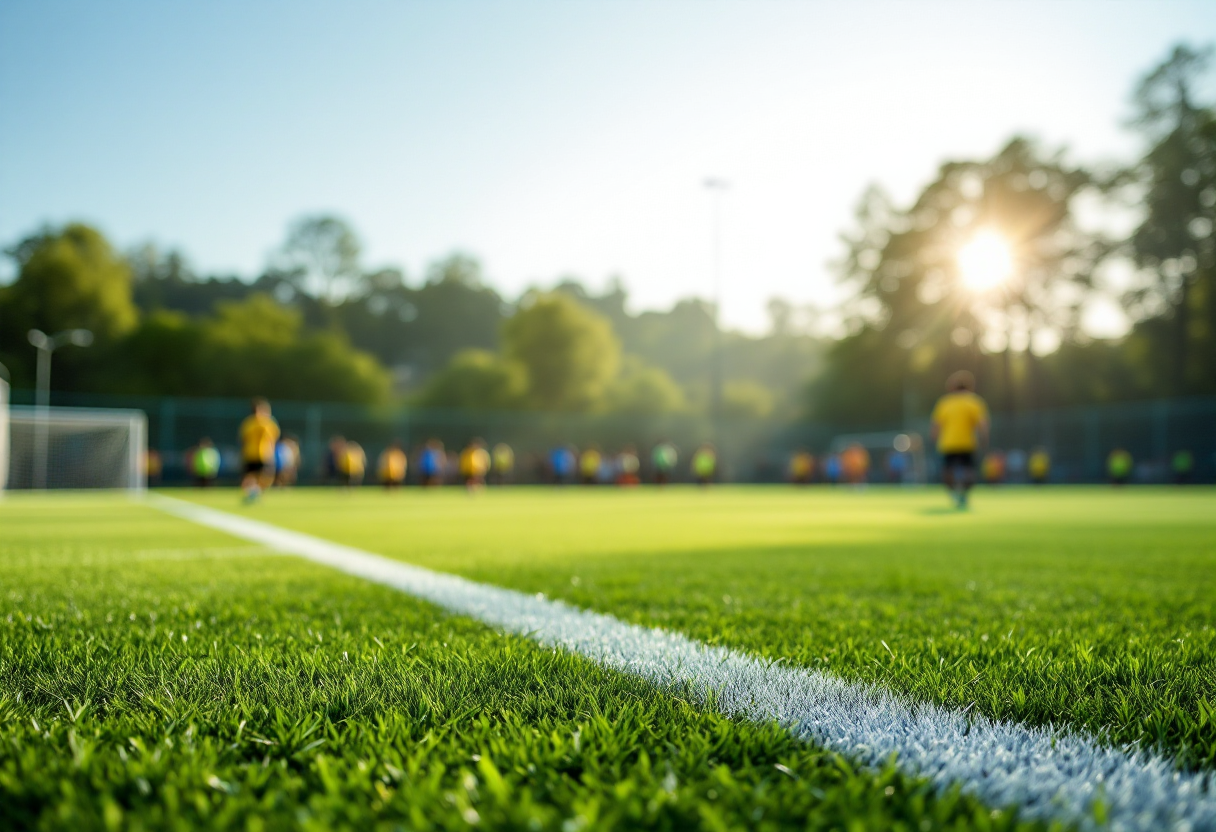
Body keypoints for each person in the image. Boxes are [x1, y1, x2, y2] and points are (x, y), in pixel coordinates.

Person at [929, 371, 989, 509]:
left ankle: (956, 494)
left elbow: (936, 425)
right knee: (969, 472)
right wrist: (984, 440)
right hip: (967, 444)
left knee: (947, 472)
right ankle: (963, 494)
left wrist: (933, 439)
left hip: (948, 444)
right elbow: (983, 425)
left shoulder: (945, 402)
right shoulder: (974, 402)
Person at [239, 398, 280, 504]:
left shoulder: (268, 423)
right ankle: (252, 494)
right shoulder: (251, 423)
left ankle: (254, 493)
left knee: (266, 477)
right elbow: (244, 439)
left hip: (263, 454)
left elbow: (272, 439)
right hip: (251, 453)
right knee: (249, 476)